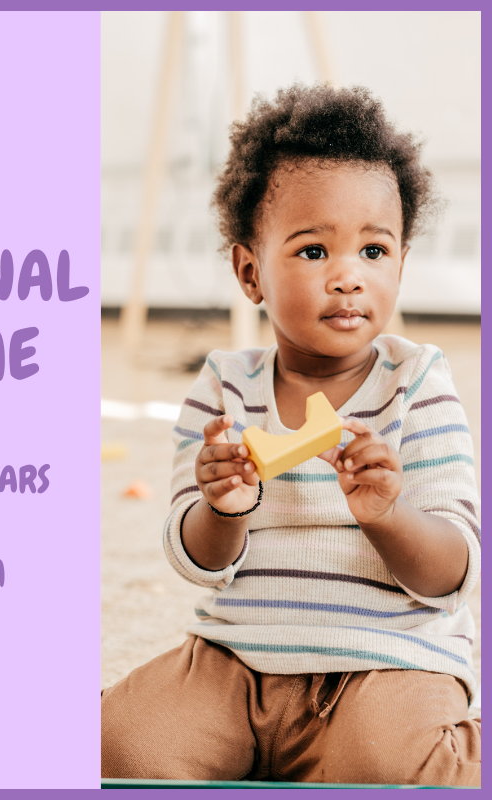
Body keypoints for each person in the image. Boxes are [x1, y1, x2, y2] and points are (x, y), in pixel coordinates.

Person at [101, 84, 481, 786]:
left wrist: (388, 514)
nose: (346, 277)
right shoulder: (223, 388)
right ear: (251, 272)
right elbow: (196, 561)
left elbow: (452, 573)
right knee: (122, 744)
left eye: (374, 250)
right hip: (237, 660)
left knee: (397, 764)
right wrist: (223, 509)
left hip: (386, 660)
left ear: (400, 264)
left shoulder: (419, 382)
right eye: (312, 252)